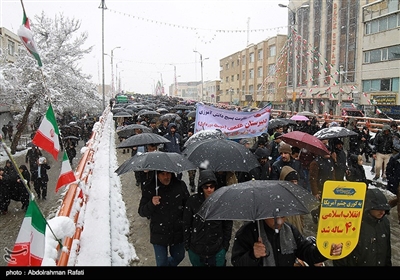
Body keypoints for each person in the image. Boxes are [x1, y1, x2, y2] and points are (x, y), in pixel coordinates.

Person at [231, 216, 342, 266]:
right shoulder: (247, 232)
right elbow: (237, 262)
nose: (279, 221)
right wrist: (253, 255)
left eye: (283, 217)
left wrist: (325, 251)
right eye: (274, 217)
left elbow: (307, 253)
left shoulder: (289, 230)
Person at [138, 170, 189, 266]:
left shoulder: (180, 185)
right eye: (162, 174)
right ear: (157, 175)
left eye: (168, 173)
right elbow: (142, 211)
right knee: (161, 262)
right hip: (159, 232)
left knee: (179, 256)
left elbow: (188, 206)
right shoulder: (150, 188)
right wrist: (151, 204)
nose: (166, 177)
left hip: (177, 231)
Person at [183, 169, 233, 266]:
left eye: (212, 186)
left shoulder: (221, 202)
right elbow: (186, 223)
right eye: (206, 187)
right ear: (201, 187)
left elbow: (227, 225)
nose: (209, 189)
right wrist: (187, 245)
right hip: (196, 249)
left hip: (217, 250)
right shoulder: (192, 201)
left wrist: (224, 246)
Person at [333, 188, 392, 266]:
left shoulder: (384, 223)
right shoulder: (354, 223)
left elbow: (387, 252)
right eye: (378, 208)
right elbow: (342, 255)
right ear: (369, 207)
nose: (382, 212)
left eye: (384, 209)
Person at [309, 144, 336, 224]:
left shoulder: (330, 161)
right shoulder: (315, 163)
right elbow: (313, 178)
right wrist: (315, 192)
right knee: (322, 205)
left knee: (328, 205)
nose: (328, 154)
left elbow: (333, 173)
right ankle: (316, 214)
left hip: (329, 187)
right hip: (320, 187)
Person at [385, 146, 400, 224]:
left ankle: (387, 206)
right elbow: (388, 171)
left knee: (398, 199)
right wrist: (392, 181)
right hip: (398, 183)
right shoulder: (395, 159)